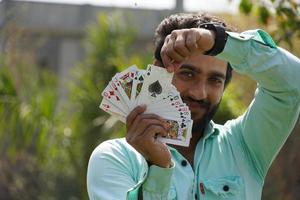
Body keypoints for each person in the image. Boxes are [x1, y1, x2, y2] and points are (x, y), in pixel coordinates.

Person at [87, 13, 300, 200]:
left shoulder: (243, 145)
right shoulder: (114, 158)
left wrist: (218, 41)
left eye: (215, 80)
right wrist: (157, 168)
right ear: (157, 74)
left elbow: (292, 81)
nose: (199, 93)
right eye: (187, 74)